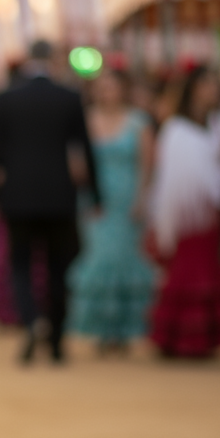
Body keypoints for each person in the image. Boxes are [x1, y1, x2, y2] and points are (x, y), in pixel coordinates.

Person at [0, 39, 100, 362]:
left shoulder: (7, 99)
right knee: (58, 267)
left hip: (17, 196)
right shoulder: (69, 97)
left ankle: (32, 320)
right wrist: (97, 195)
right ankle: (58, 340)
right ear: (53, 59)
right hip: (60, 195)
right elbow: (85, 150)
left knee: (20, 264)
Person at [149, 67, 220, 358]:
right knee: (188, 273)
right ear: (193, 89)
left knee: (213, 270)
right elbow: (171, 180)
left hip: (215, 211)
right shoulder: (176, 129)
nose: (213, 90)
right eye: (206, 84)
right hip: (188, 217)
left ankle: (213, 338)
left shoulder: (218, 124)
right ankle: (180, 340)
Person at [68, 69, 156, 351]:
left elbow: (148, 163)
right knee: (99, 259)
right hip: (95, 201)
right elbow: (74, 159)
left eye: (111, 87)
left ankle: (125, 328)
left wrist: (143, 198)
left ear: (123, 89)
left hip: (128, 198)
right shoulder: (84, 120)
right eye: (101, 87)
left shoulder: (138, 121)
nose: (106, 93)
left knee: (127, 259)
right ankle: (103, 328)